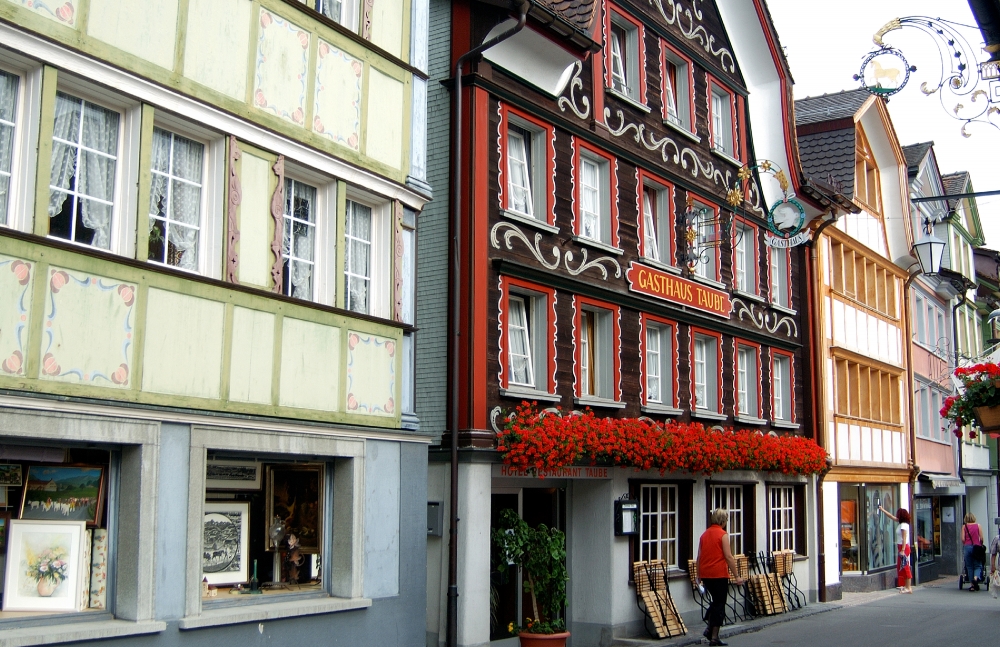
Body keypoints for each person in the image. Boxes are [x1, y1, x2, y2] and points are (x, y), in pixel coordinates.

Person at [695, 509, 745, 646]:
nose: (726, 523)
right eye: (726, 520)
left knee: (716, 602)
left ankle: (709, 629)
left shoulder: (704, 535)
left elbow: (699, 557)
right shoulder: (722, 535)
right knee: (719, 604)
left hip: (706, 574)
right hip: (719, 574)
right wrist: (737, 576)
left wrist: (698, 575)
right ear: (722, 521)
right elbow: (728, 557)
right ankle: (714, 636)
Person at [879, 505, 912, 593]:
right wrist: (883, 510)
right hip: (901, 547)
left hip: (903, 547)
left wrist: (902, 550)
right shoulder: (902, 523)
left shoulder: (903, 526)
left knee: (905, 567)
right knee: (902, 567)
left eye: (898, 514)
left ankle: (908, 587)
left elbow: (904, 539)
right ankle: (906, 586)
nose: (897, 516)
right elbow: (891, 516)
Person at [963, 512, 985, 591]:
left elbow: (962, 539)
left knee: (969, 566)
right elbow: (981, 538)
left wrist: (966, 544)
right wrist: (981, 544)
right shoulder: (978, 526)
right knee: (977, 565)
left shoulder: (964, 527)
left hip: (967, 547)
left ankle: (972, 585)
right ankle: (975, 579)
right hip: (977, 547)